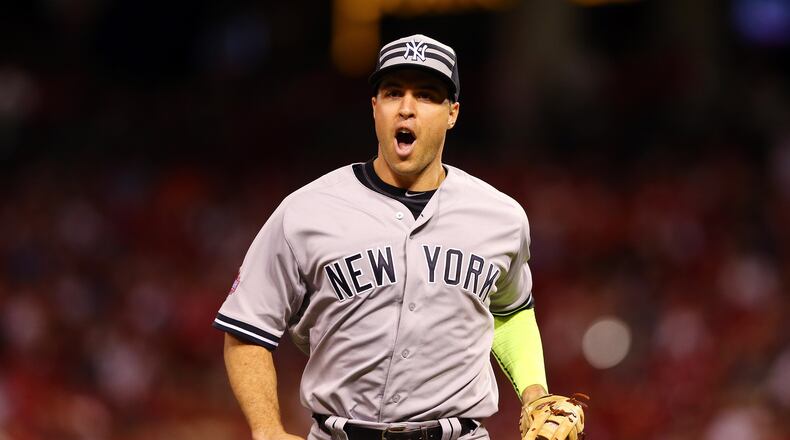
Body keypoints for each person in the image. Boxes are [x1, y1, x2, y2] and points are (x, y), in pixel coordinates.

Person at [213, 34, 564, 440]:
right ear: (375, 107)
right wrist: (266, 429)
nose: (408, 109)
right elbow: (245, 330)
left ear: (452, 113)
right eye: (393, 93)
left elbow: (511, 311)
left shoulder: (500, 216)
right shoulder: (305, 211)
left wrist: (535, 391)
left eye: (428, 96)